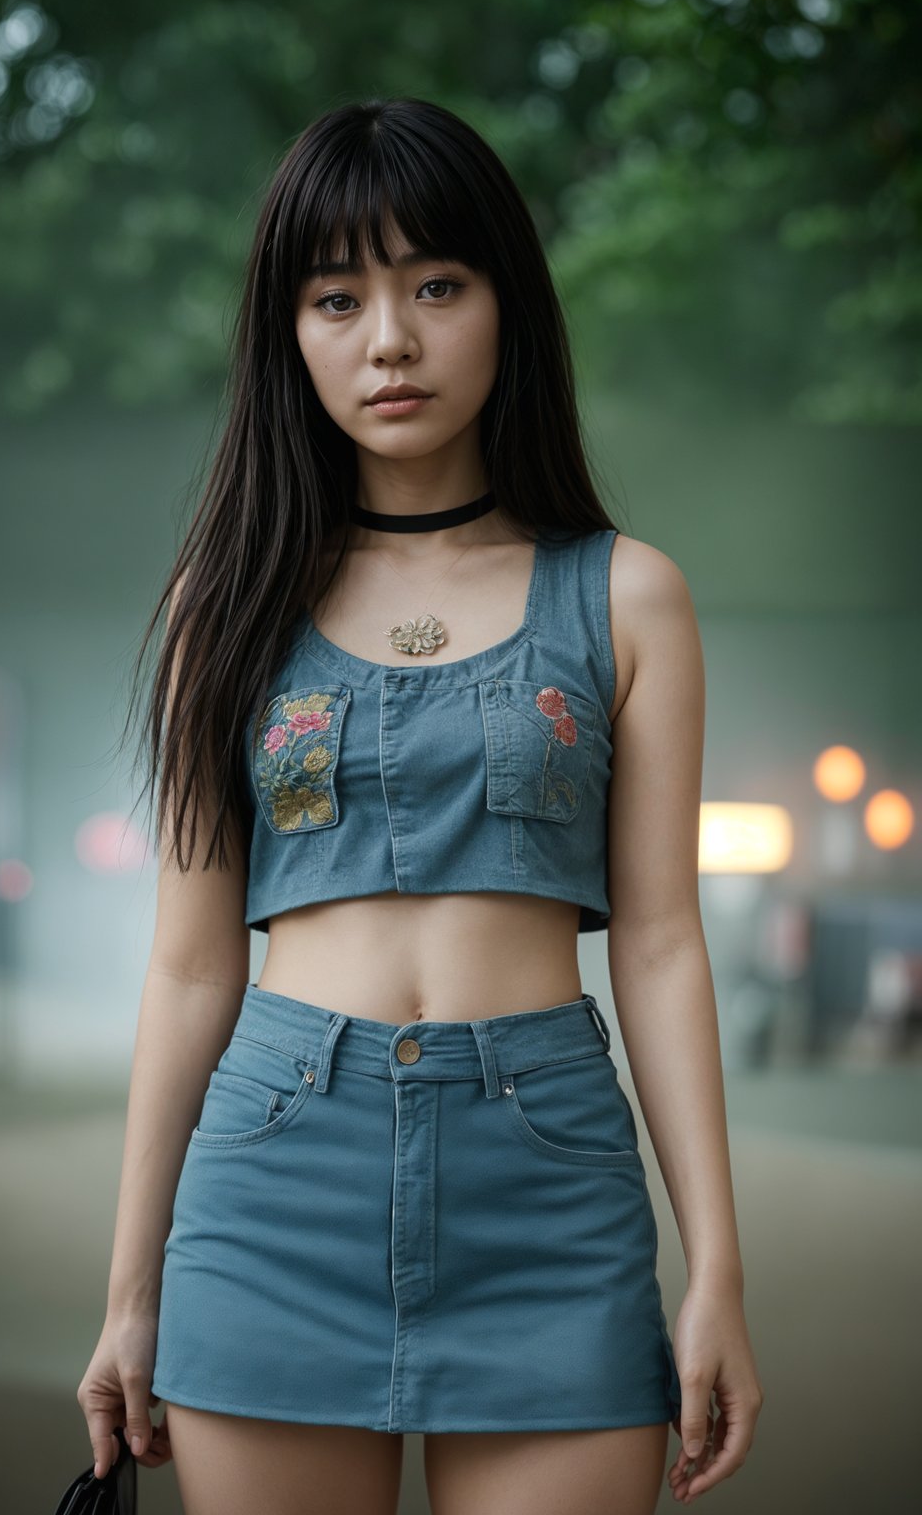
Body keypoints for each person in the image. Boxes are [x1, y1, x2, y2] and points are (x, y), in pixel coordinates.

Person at [77, 96, 763, 1515]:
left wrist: (718, 1277)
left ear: (508, 304)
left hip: (550, 1193)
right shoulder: (231, 604)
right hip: (274, 1194)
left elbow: (659, 946)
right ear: (293, 334)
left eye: (436, 286)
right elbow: (193, 963)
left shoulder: (629, 594)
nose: (390, 339)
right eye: (339, 298)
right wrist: (130, 1294)